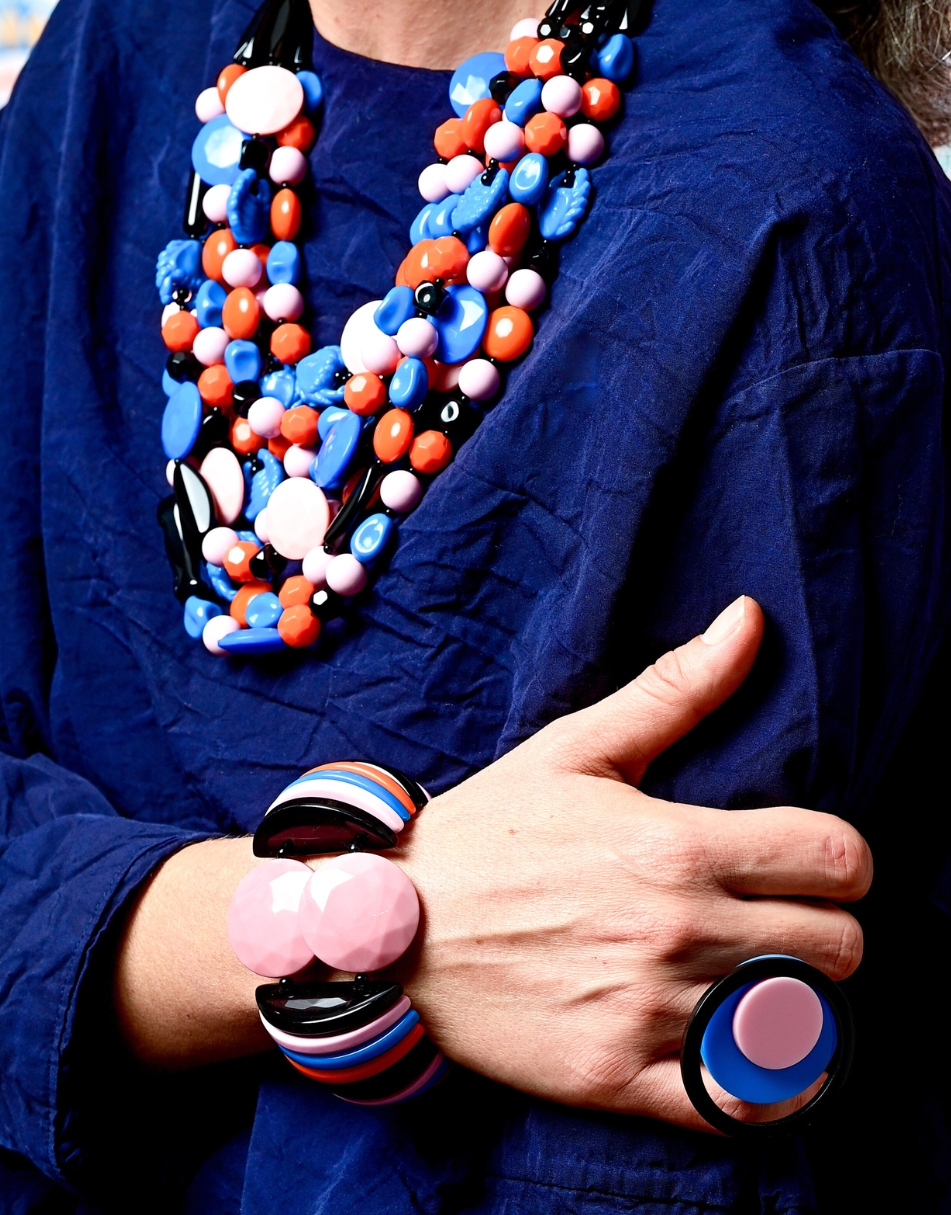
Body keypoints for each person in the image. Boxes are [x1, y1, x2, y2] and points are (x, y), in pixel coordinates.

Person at [0, 0, 949, 1211]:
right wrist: (384, 922)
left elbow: (637, 1138)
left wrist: (157, 941)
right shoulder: (119, 43)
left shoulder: (793, 214)